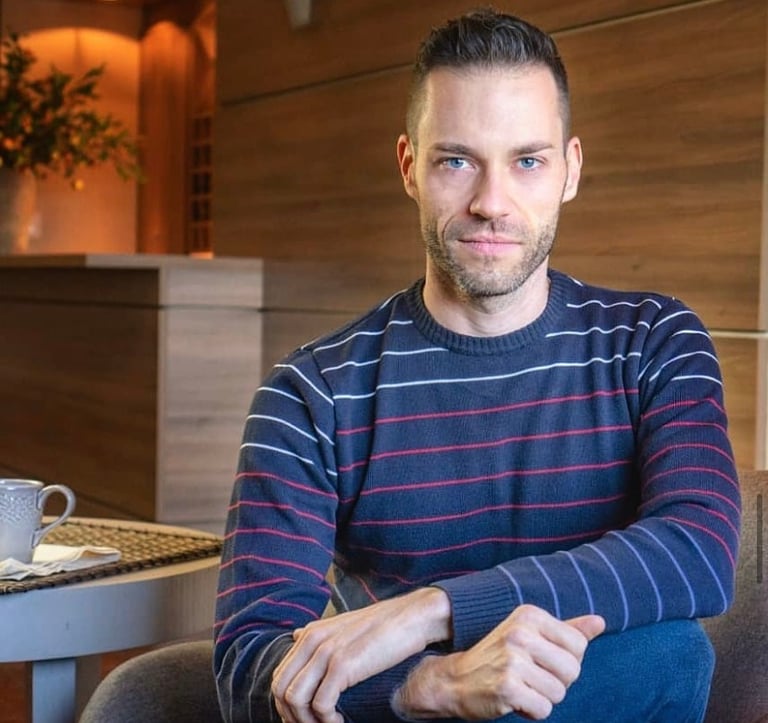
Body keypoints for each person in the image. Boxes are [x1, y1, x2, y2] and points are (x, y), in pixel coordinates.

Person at [214, 9, 740, 723]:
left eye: (527, 161)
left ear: (570, 170)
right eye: (456, 160)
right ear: (409, 167)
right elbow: (248, 668)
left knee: (670, 653)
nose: (492, 203)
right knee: (667, 656)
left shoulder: (654, 340)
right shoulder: (310, 395)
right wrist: (432, 686)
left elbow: (697, 552)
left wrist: (430, 613)